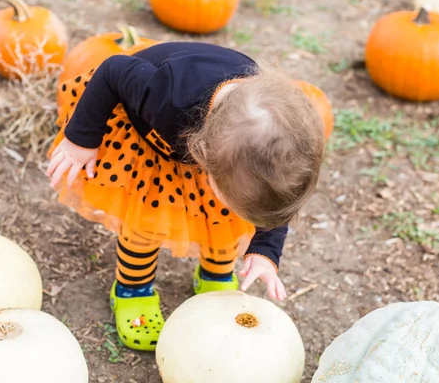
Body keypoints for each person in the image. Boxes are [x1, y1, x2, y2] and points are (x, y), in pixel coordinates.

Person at [46, 42, 325, 351]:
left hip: (217, 138)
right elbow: (113, 70)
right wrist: (81, 139)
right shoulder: (168, 98)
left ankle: (215, 274)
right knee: (146, 224)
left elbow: (275, 204)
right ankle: (132, 289)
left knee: (225, 218)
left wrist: (265, 251)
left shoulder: (284, 139)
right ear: (206, 163)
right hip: (151, 136)